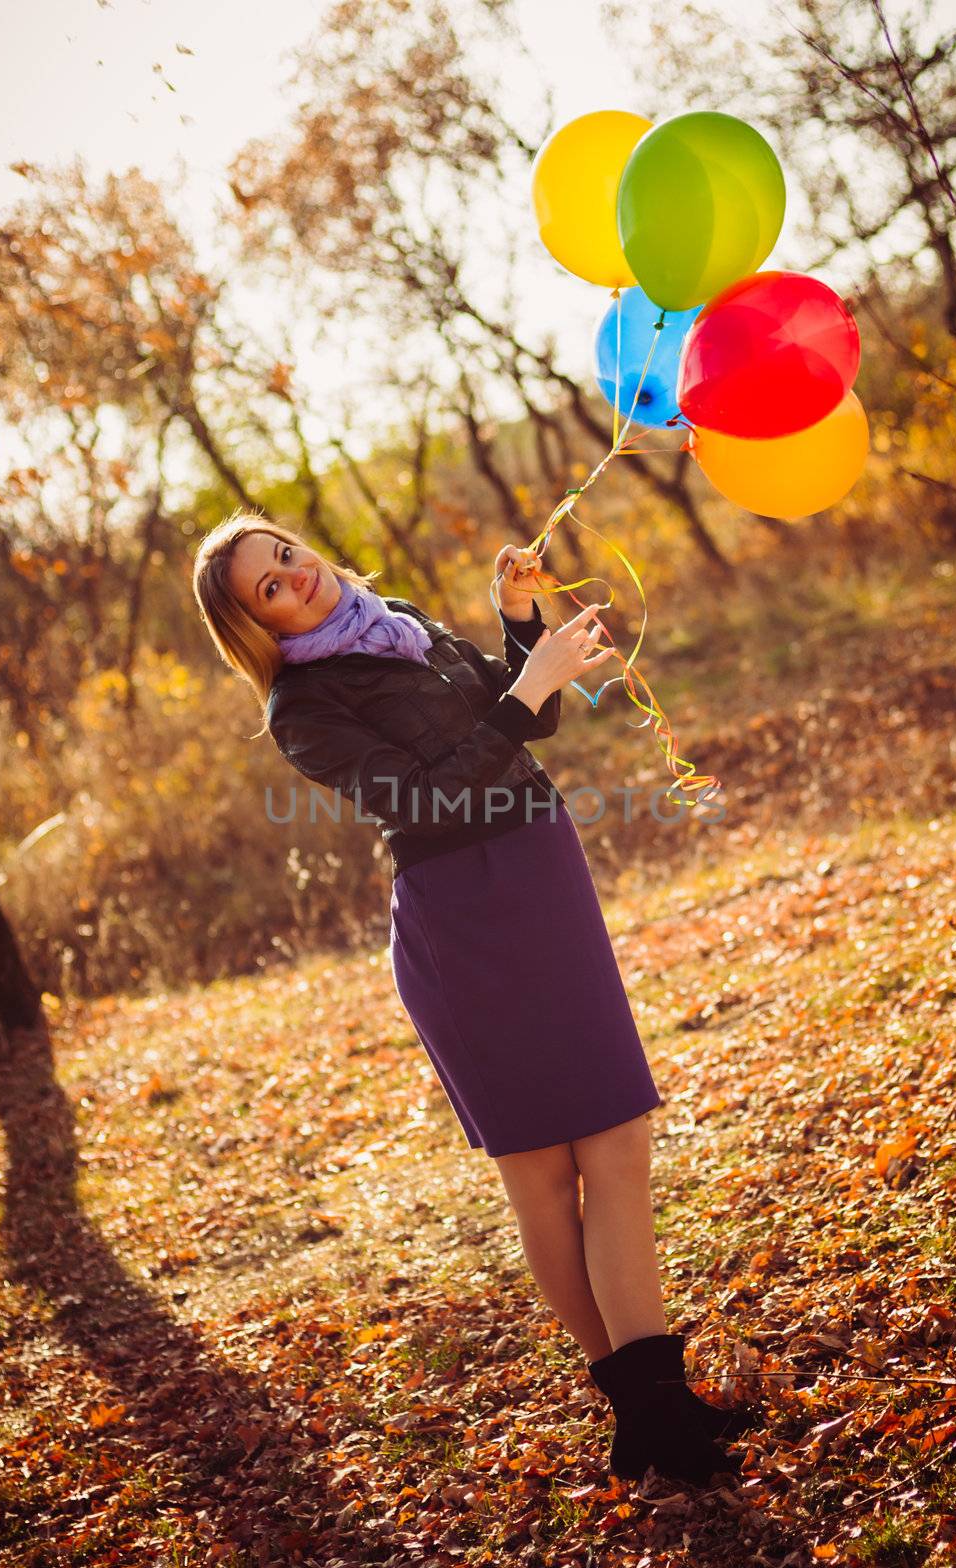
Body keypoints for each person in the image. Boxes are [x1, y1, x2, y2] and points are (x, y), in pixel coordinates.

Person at [192, 508, 741, 1486]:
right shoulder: (303, 707)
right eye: (269, 587)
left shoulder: (394, 618)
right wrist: (525, 686)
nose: (296, 577)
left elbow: (532, 716)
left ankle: (661, 1398)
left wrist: (518, 623)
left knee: (616, 1140)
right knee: (540, 1174)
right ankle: (643, 1410)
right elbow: (423, 796)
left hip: (541, 866)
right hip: (463, 913)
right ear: (256, 627)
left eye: (286, 554)